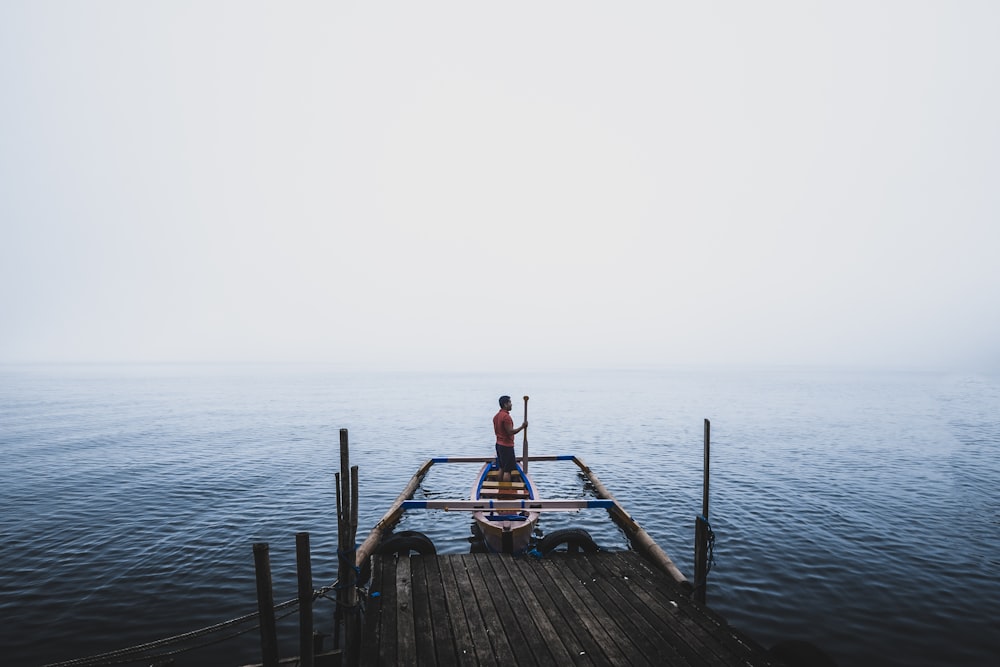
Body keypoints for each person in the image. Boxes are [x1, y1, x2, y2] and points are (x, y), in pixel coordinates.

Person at [493, 395, 527, 483]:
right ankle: (506, 491)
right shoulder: (506, 417)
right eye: (510, 403)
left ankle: (500, 487)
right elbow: (510, 432)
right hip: (506, 446)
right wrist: (522, 427)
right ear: (505, 404)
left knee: (501, 467)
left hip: (499, 445)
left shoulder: (496, 416)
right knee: (507, 471)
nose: (511, 405)